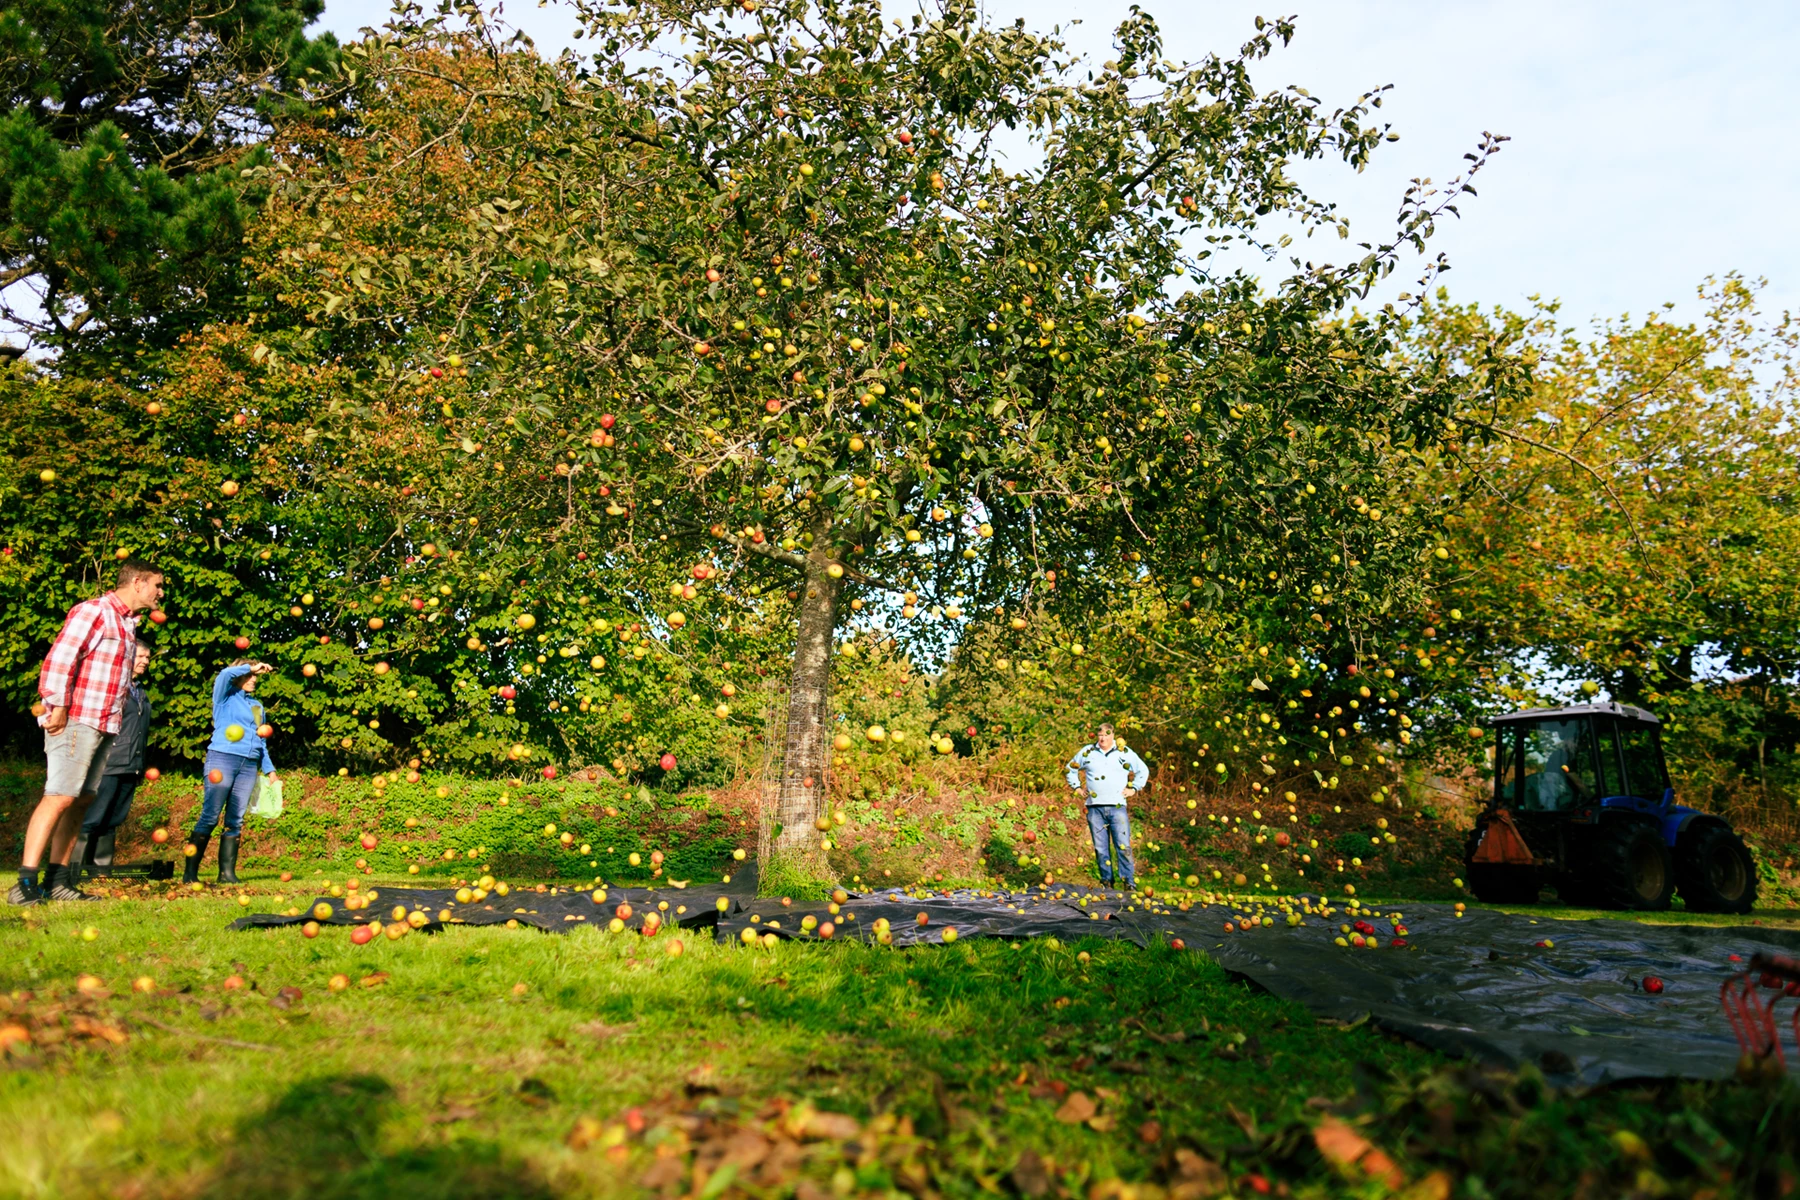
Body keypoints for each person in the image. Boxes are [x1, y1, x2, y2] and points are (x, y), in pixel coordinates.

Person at [14, 558, 164, 905]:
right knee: (59, 796)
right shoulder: (94, 611)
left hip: (105, 724)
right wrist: (59, 706)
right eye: (157, 585)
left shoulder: (128, 624)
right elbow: (61, 659)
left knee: (81, 802)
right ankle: (24, 883)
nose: (160, 592)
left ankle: (58, 881)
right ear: (138, 582)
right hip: (77, 719)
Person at [185, 660, 279, 885]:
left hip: (248, 765)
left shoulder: (257, 707)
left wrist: (269, 769)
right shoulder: (224, 697)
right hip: (222, 758)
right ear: (240, 675)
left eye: (256, 676)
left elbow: (261, 739)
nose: (254, 679)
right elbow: (225, 674)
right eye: (250, 675)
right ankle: (190, 874)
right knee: (210, 816)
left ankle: (226, 874)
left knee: (235, 820)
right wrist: (252, 667)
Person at [70, 641, 154, 877]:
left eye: (148, 658)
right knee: (93, 818)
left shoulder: (140, 689)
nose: (145, 661)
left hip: (131, 765)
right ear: (126, 657)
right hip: (108, 763)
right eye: (140, 656)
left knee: (114, 818)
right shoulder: (113, 687)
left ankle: (101, 871)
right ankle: (73, 871)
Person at [1065, 723, 1151, 891]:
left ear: (1113, 736)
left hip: (1117, 806)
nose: (1103, 738)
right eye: (1100, 735)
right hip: (1094, 808)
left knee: (1123, 845)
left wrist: (1134, 788)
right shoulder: (1088, 752)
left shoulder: (1124, 752)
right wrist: (1076, 787)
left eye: (1106, 735)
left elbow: (1143, 770)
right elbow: (1070, 768)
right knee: (1100, 847)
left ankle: (1129, 882)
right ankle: (1107, 882)